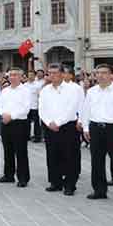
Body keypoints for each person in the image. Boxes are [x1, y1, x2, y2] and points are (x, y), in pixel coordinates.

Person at [79, 64, 113, 205]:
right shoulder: (91, 91)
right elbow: (86, 110)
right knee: (96, 161)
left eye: (104, 73)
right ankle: (99, 190)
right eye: (98, 73)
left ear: (111, 75)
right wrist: (85, 128)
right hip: (95, 128)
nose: (100, 75)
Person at [39, 64, 83, 195]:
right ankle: (55, 182)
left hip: (68, 126)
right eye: (50, 73)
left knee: (70, 156)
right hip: (50, 127)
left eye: (55, 73)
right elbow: (42, 108)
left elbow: (72, 108)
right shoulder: (45, 90)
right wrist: (48, 122)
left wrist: (58, 122)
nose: (52, 75)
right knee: (52, 155)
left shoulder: (73, 89)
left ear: (62, 74)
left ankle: (70, 184)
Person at [0, 68, 32, 187]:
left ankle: (23, 178)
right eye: (10, 75)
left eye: (15, 75)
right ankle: (8, 175)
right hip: (5, 122)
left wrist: (11, 116)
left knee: (20, 151)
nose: (12, 77)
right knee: (8, 150)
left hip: (19, 123)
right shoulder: (5, 90)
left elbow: (26, 108)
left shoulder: (26, 91)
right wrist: (3, 114)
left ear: (21, 77)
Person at [27, 69, 45, 142]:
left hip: (35, 106)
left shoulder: (38, 85)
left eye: (32, 75)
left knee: (36, 123)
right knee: (26, 123)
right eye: (29, 75)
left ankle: (37, 137)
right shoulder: (25, 85)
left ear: (35, 76)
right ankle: (27, 136)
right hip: (27, 107)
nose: (30, 76)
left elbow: (40, 96)